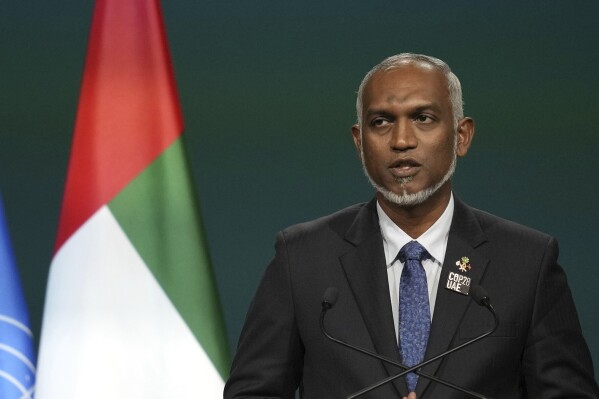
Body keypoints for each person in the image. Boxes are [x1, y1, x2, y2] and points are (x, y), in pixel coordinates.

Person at [223, 53, 599, 398]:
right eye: (381, 122)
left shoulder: (527, 263)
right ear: (359, 142)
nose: (402, 141)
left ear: (461, 136)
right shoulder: (302, 259)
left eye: (423, 118)